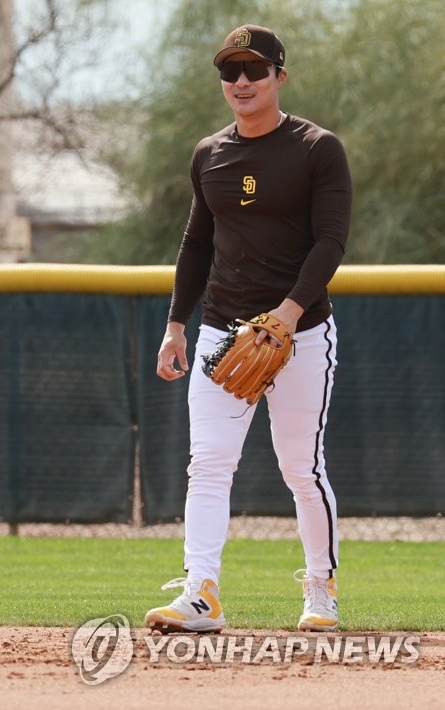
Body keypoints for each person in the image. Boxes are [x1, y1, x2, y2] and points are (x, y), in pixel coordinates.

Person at [148, 25, 351, 634]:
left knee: (300, 467)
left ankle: (321, 588)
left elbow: (330, 241)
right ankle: (201, 592)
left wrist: (287, 315)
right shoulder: (209, 154)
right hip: (221, 332)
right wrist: (175, 325)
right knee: (208, 463)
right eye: (230, 71)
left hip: (303, 333)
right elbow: (196, 244)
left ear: (278, 78)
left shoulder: (317, 148)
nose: (240, 81)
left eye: (254, 70)